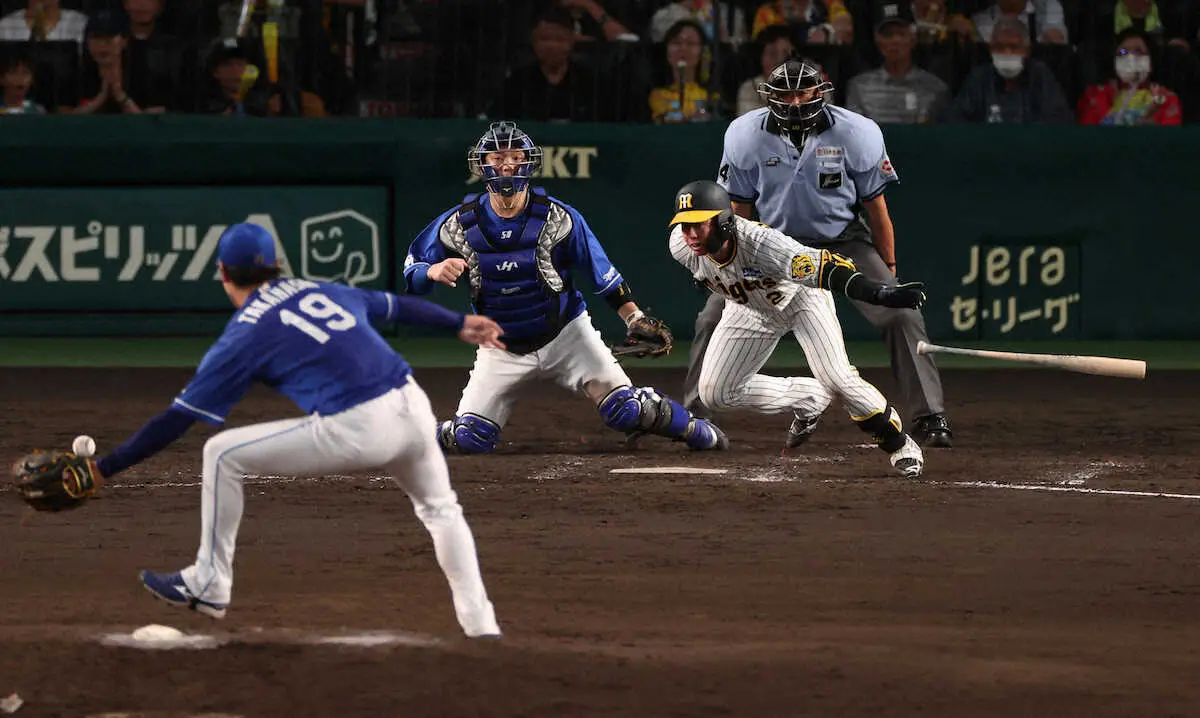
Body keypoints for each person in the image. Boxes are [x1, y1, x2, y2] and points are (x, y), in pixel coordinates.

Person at [71, 223, 505, 638]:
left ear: (223, 274)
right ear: (276, 264)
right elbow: (393, 305)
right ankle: (482, 627)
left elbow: (176, 419)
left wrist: (103, 469)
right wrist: (457, 323)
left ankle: (210, 581)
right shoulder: (317, 288)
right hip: (413, 406)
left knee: (221, 453)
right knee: (441, 510)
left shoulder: (243, 335)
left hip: (359, 426)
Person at [403, 121, 727, 455]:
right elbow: (413, 271)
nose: (506, 165)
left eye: (515, 156)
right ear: (481, 164)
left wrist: (634, 317)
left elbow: (602, 275)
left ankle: (695, 428)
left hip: (567, 334)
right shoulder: (458, 224)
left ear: (529, 162)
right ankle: (414, 435)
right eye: (497, 157)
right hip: (501, 345)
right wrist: (432, 271)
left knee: (626, 411)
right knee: (470, 438)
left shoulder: (558, 218)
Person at [685, 58, 954, 448]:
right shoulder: (743, 133)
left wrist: (889, 271)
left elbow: (878, 210)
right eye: (785, 93)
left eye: (803, 91)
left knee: (901, 314)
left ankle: (930, 417)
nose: (795, 101)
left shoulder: (858, 131)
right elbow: (737, 213)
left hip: (842, 239)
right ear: (770, 95)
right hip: (772, 243)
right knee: (712, 315)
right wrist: (726, 267)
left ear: (820, 92)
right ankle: (694, 416)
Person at [668, 180, 926, 477]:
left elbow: (828, 268)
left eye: (699, 224)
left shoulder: (761, 244)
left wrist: (879, 293)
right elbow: (708, 271)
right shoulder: (681, 246)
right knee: (716, 393)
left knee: (838, 379)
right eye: (685, 225)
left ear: (724, 221)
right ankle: (809, 397)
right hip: (748, 310)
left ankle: (900, 444)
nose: (690, 234)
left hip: (801, 301)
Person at [943, 17, 1072, 124]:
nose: (1007, 53)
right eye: (1000, 47)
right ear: (991, 50)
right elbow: (955, 121)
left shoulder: (1040, 76)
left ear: (1026, 50)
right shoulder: (979, 78)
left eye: (1013, 47)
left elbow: (1058, 121)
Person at [845, 3, 950, 124]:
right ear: (877, 41)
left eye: (901, 34)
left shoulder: (936, 89)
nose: (895, 41)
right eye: (888, 35)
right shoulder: (858, 88)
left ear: (913, 38)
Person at [1078, 27, 1181, 125]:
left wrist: (1152, 130)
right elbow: (1087, 138)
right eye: (1123, 52)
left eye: (1138, 51)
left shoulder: (1165, 97)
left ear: (1150, 62)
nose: (1130, 58)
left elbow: (1171, 138)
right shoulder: (1094, 96)